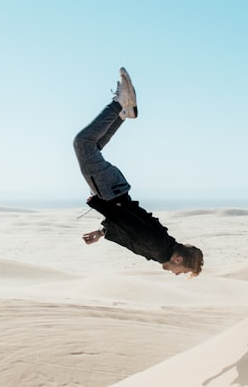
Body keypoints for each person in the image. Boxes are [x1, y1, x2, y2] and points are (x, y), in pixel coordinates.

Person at [74, 68, 204, 277]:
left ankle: (125, 113)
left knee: (92, 145)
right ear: (178, 259)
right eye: (181, 271)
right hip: (109, 192)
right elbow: (129, 222)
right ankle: (119, 104)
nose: (177, 273)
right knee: (84, 143)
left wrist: (101, 233)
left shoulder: (161, 250)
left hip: (112, 190)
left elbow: (129, 233)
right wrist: (98, 205)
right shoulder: (159, 246)